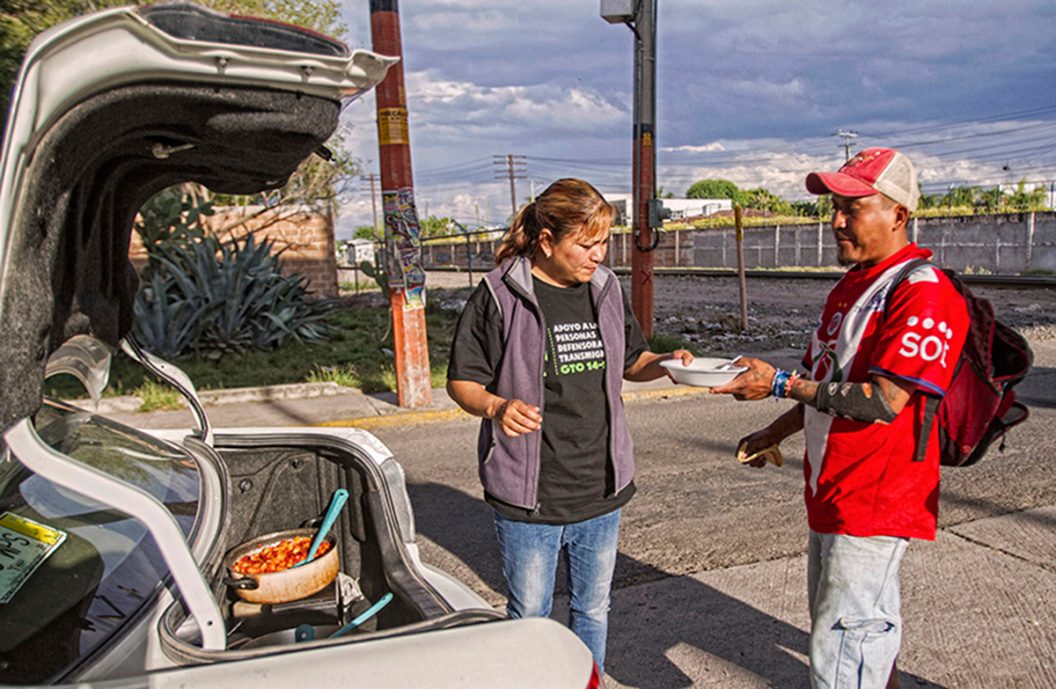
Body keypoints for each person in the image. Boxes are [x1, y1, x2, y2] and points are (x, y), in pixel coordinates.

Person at [711, 148, 969, 689]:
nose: (836, 221)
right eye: (834, 207)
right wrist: (774, 429)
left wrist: (776, 382)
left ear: (898, 215)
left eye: (852, 207)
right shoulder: (851, 287)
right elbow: (824, 383)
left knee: (844, 653)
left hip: (875, 498)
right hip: (833, 491)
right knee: (860, 639)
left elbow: (883, 401)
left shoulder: (922, 291)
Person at [446, 178, 692, 674]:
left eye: (603, 242)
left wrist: (666, 362)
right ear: (546, 240)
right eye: (585, 243)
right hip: (530, 494)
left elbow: (633, 360)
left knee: (592, 610)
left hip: (600, 488)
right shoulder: (500, 294)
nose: (598, 255)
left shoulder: (604, 289)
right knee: (530, 617)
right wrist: (496, 407)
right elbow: (461, 381)